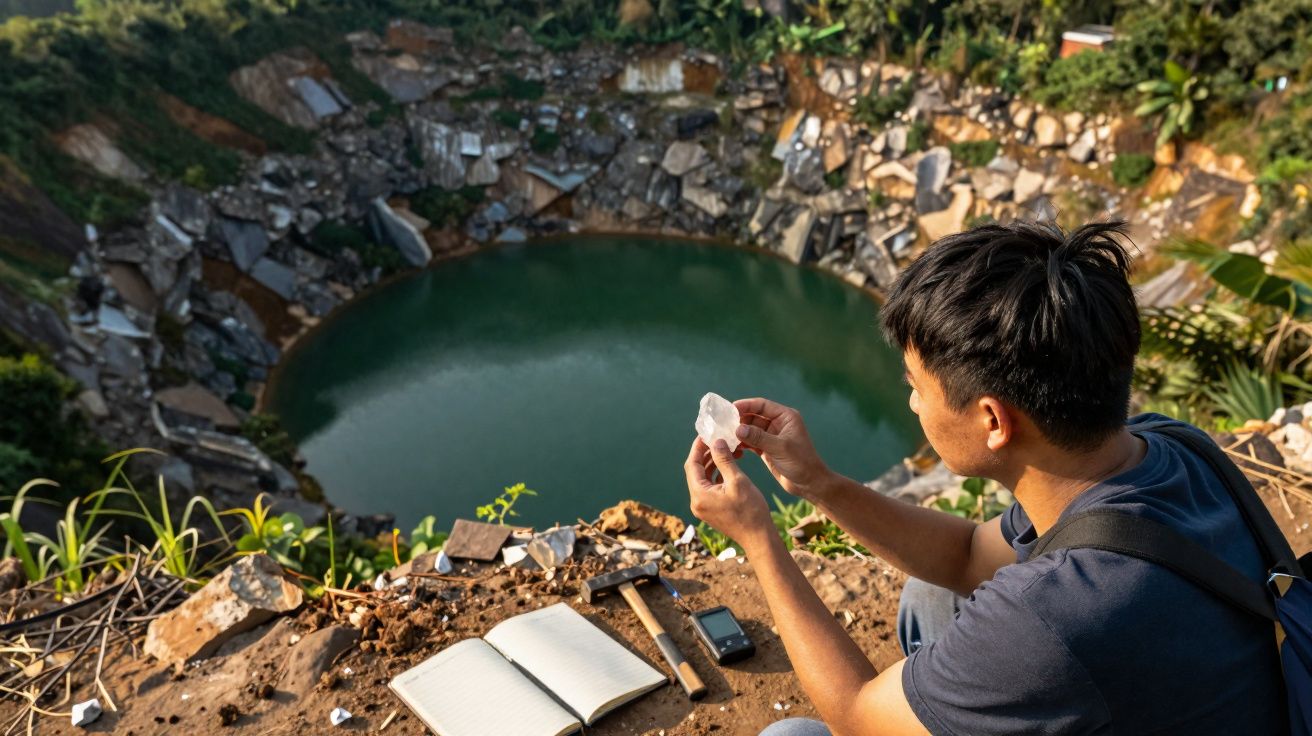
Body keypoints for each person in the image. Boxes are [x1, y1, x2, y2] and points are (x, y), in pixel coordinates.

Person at [683, 220, 1288, 735]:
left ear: (993, 420)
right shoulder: (1164, 448)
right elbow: (972, 554)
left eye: (916, 387)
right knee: (933, 595)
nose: (912, 404)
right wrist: (816, 482)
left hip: (1078, 656)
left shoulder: (1050, 617)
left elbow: (855, 716)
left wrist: (760, 538)